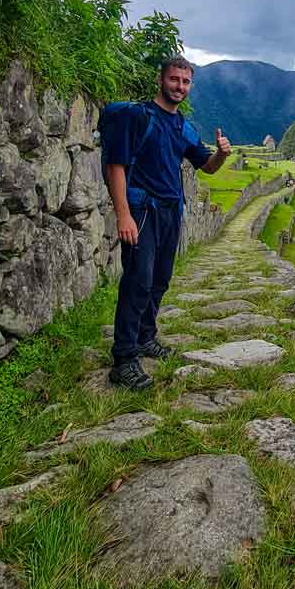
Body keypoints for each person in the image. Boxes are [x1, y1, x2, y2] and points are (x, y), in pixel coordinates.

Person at [104, 56, 231, 390]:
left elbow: (208, 167)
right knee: (138, 281)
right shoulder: (138, 116)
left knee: (159, 280)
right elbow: (115, 166)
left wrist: (222, 154)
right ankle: (124, 358)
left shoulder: (182, 127)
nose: (179, 87)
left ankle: (145, 338)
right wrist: (123, 214)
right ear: (160, 80)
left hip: (171, 212)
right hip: (142, 211)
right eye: (174, 79)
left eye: (186, 82)